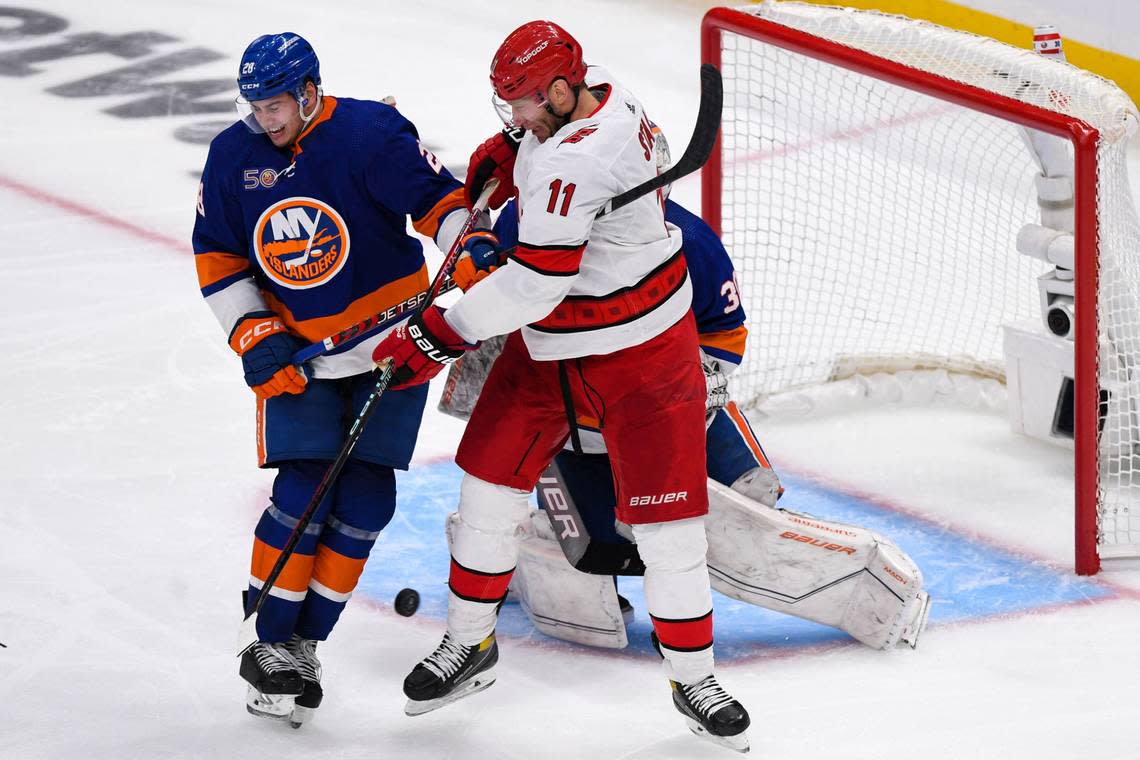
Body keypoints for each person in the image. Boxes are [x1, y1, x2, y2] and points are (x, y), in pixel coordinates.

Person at [372, 20, 751, 752]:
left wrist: (438, 332)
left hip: (643, 353)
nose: (512, 118)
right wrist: (513, 147)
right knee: (486, 493)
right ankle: (469, 646)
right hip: (551, 354)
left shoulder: (573, 163)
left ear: (557, 87)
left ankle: (694, 679)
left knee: (669, 534)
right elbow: (541, 162)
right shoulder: (601, 92)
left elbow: (536, 285)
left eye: (520, 105)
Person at [448, 126, 927, 655]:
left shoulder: (690, 243)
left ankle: (675, 608)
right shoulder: (530, 223)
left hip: (663, 406)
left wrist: (672, 395)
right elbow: (496, 329)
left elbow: (725, 336)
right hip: (570, 424)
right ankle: (525, 557)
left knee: (750, 496)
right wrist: (479, 255)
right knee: (592, 550)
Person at [191, 32, 471, 727]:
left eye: (276, 105)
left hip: (393, 350)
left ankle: (303, 647)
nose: (265, 120)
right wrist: (254, 335)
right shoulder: (234, 155)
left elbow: (441, 206)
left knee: (368, 500)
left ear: (310, 91)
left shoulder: (372, 135)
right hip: (300, 357)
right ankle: (271, 644)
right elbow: (218, 255)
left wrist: (471, 249)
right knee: (304, 490)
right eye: (254, 107)